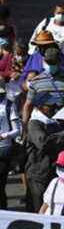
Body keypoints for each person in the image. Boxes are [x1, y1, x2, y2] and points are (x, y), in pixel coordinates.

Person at [25, 96, 64, 212]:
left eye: (54, 106)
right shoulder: (34, 123)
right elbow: (42, 143)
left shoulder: (54, 123)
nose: (53, 109)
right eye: (50, 106)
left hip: (52, 171)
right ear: (40, 108)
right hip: (38, 173)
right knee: (37, 207)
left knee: (49, 206)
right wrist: (63, 135)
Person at [27, 2, 64, 70]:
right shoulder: (46, 22)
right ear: (54, 12)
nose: (61, 15)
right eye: (58, 13)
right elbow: (34, 37)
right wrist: (33, 54)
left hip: (61, 62)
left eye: (63, 13)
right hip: (42, 59)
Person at [39, 150, 64, 215]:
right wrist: (40, 217)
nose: (62, 169)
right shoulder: (54, 182)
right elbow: (45, 204)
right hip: (49, 220)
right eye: (61, 166)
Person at [0, 81, 20, 210]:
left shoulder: (9, 106)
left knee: (1, 185)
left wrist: (4, 136)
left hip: (3, 149)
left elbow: (17, 130)